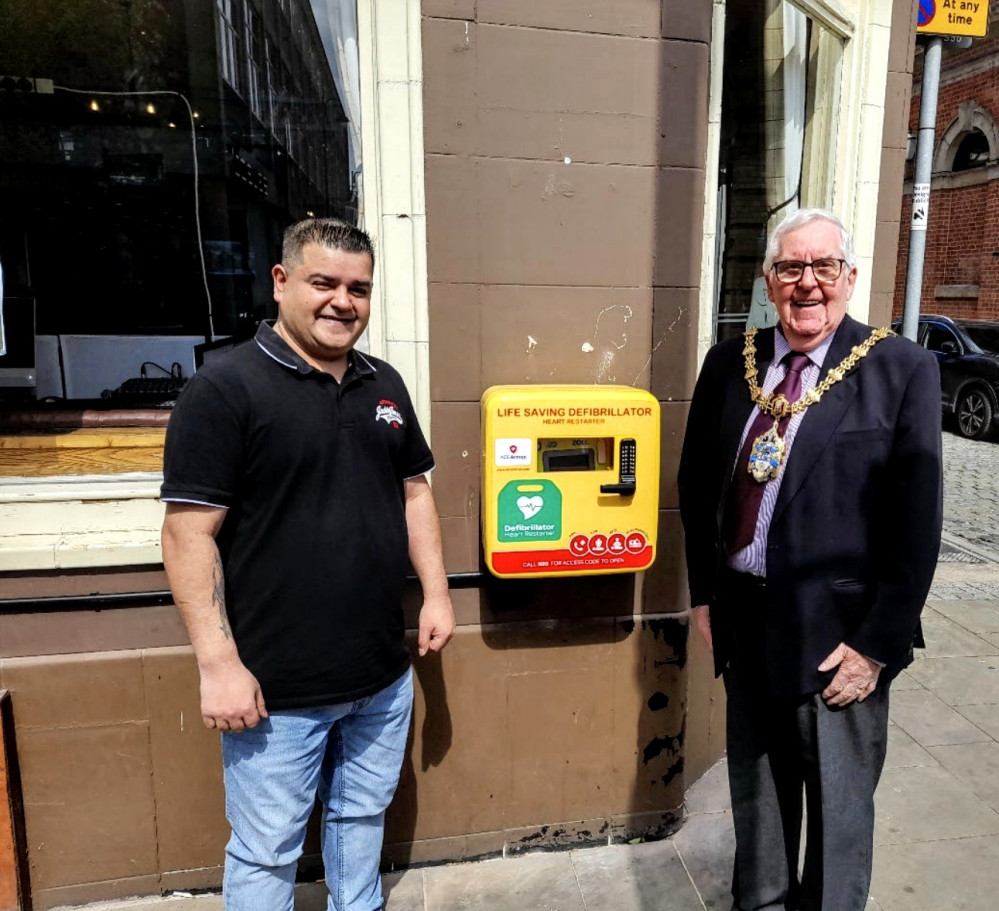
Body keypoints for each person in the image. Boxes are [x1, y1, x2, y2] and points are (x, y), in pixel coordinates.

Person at [161, 217, 455, 911]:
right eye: (324, 282)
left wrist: (437, 594)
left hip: (380, 674)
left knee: (359, 820)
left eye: (358, 287)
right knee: (267, 849)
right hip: (274, 691)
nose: (341, 301)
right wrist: (217, 663)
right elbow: (186, 535)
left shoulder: (382, 383)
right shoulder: (226, 388)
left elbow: (415, 492)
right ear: (282, 281)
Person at [678, 208, 942, 911]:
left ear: (849, 277)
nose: (807, 284)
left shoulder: (898, 368)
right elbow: (694, 482)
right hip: (745, 627)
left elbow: (916, 526)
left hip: (839, 641)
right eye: (790, 268)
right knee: (757, 806)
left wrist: (874, 645)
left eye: (823, 267)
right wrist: (704, 594)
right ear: (768, 280)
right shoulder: (728, 363)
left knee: (837, 817)